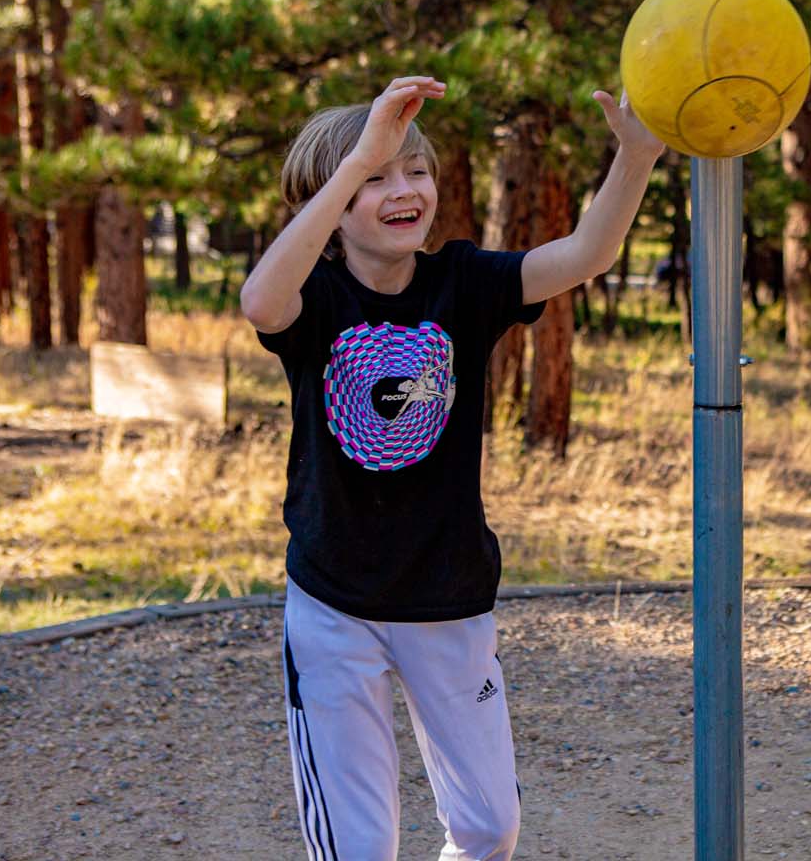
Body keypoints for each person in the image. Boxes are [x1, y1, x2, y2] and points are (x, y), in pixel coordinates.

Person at [241, 76, 665, 860]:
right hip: (335, 606)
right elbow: (262, 302)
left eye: (417, 170)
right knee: (360, 848)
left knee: (487, 829)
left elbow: (588, 253)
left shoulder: (461, 283)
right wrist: (355, 157)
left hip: (449, 598)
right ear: (331, 202)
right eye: (376, 176)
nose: (403, 190)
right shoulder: (317, 295)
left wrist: (635, 156)